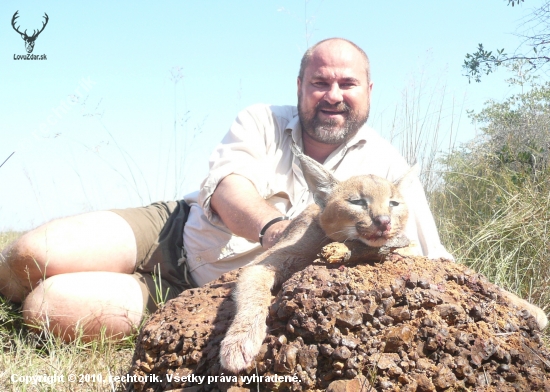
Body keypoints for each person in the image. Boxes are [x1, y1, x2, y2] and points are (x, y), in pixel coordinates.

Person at [0, 38, 452, 342]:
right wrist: (274, 229)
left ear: (369, 91)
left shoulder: (389, 168)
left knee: (46, 306)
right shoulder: (261, 120)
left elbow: (434, 258)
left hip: (199, 294)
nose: (333, 94)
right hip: (175, 230)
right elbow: (228, 187)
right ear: (300, 86)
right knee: (32, 254)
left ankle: (117, 294)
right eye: (320, 82)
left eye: (347, 84)